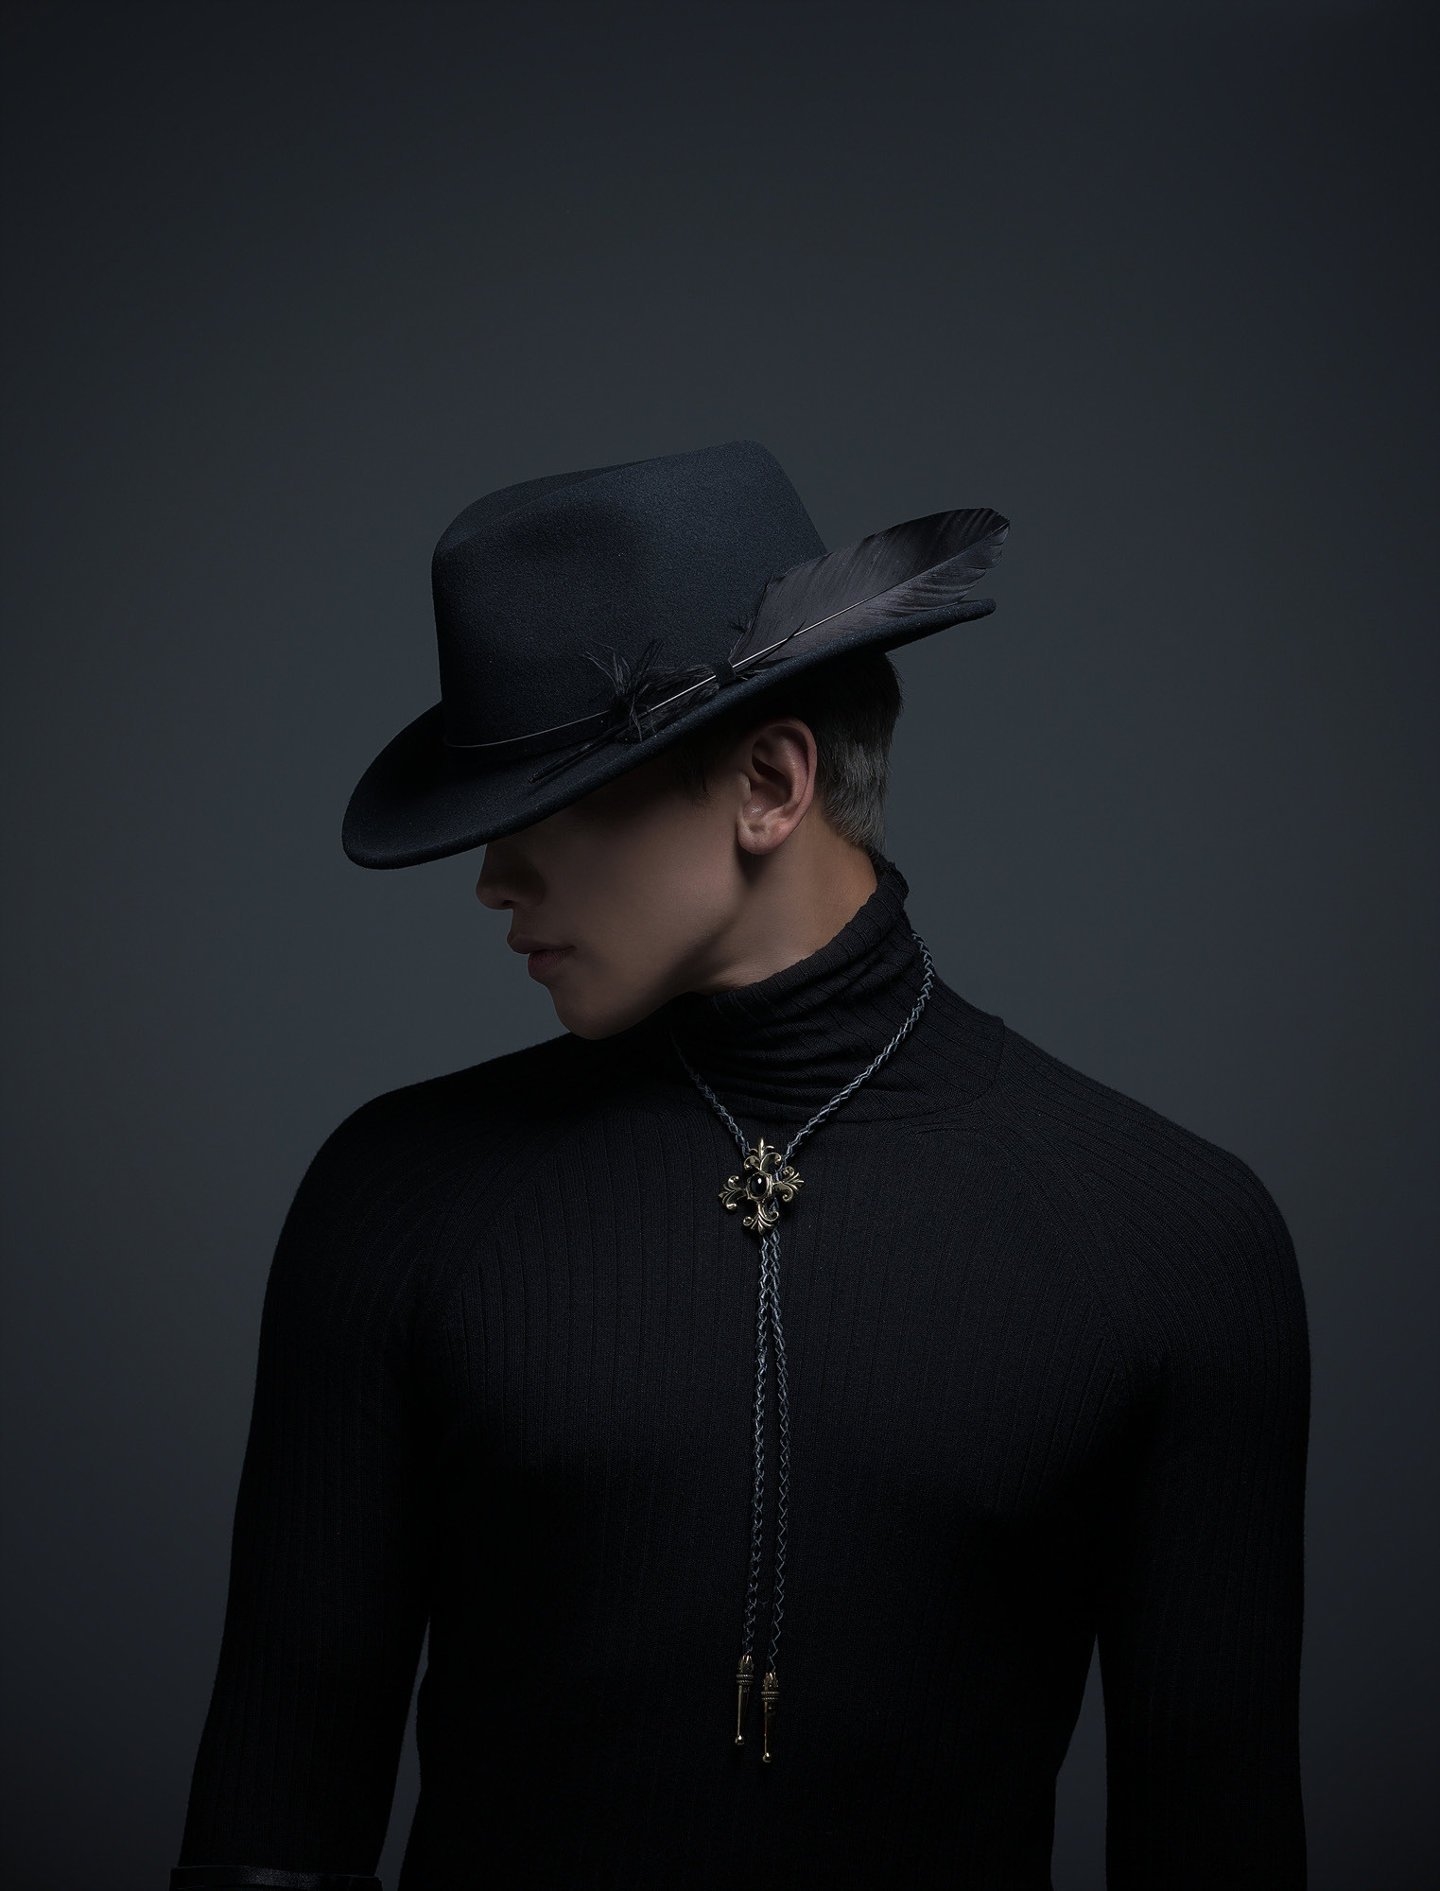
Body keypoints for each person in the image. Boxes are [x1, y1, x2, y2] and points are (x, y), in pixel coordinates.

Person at [171, 442, 1308, 1890]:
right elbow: (269, 1833)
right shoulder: (394, 1204)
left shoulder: (1177, 1245)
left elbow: (1220, 1846)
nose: (491, 880)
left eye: (543, 806)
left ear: (771, 783)